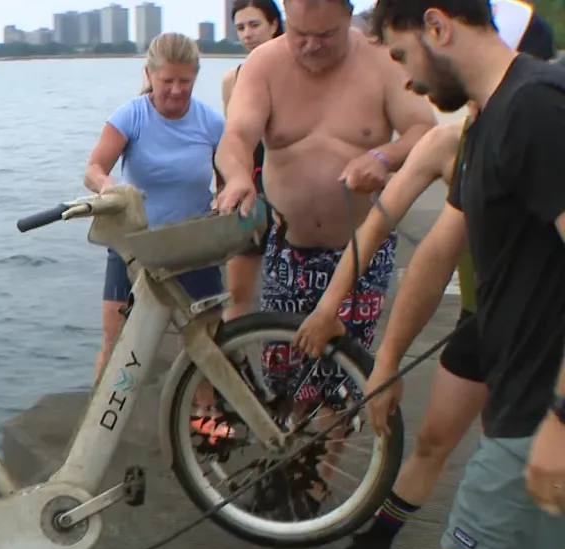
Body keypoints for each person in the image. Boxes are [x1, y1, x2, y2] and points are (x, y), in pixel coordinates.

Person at [294, 0, 556, 549]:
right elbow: (383, 228)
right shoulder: (451, 142)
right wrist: (332, 307)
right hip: (481, 316)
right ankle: (379, 545)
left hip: (538, 332)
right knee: (434, 437)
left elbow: (438, 250)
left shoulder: (535, 120)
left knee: (507, 463)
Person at [368, 2, 565, 549]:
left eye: (402, 55)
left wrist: (559, 422)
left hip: (540, 406)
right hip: (518, 392)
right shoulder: (484, 124)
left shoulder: (535, 110)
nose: (407, 82)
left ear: (438, 25)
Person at [214, 0, 437, 399]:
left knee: (344, 385)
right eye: (300, 35)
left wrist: (382, 155)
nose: (311, 46)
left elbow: (424, 129)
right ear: (286, 16)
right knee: (285, 381)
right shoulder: (264, 65)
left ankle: (335, 460)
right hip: (288, 250)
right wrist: (237, 178)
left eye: (325, 36)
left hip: (361, 248)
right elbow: (236, 137)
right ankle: (293, 458)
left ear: (348, 18)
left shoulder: (380, 59)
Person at [84, 33, 226, 431]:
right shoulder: (130, 116)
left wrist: (229, 192)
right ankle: (96, 421)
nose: (177, 91)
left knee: (205, 338)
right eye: (168, 81)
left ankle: (205, 415)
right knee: (115, 341)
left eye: (186, 82)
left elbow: (230, 174)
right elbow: (93, 168)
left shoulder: (211, 122)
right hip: (136, 244)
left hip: (193, 243)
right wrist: (108, 187)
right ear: (149, 75)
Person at [220, 0, 284, 321]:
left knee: (286, 295)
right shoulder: (234, 79)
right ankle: (230, 367)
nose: (247, 34)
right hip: (252, 193)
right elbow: (232, 142)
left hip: (292, 197)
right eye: (241, 28)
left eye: (254, 25)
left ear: (274, 24)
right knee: (236, 297)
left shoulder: (297, 73)